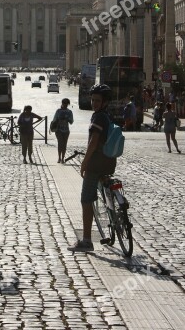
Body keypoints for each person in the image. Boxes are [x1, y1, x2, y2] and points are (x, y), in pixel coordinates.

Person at [69, 84, 116, 252]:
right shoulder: (107, 116)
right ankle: (115, 217)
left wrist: (84, 162)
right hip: (109, 161)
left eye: (98, 100)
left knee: (86, 199)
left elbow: (93, 142)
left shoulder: (97, 118)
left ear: (105, 102)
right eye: (93, 99)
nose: (94, 103)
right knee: (105, 189)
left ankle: (87, 241)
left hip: (96, 163)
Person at [52, 98, 74, 163]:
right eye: (64, 103)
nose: (65, 104)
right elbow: (54, 120)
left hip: (66, 130)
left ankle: (63, 158)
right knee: (60, 143)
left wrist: (67, 119)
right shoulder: (58, 111)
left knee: (64, 144)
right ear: (62, 103)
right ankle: (59, 158)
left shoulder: (69, 112)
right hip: (59, 130)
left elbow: (71, 121)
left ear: (68, 104)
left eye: (66, 103)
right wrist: (59, 120)